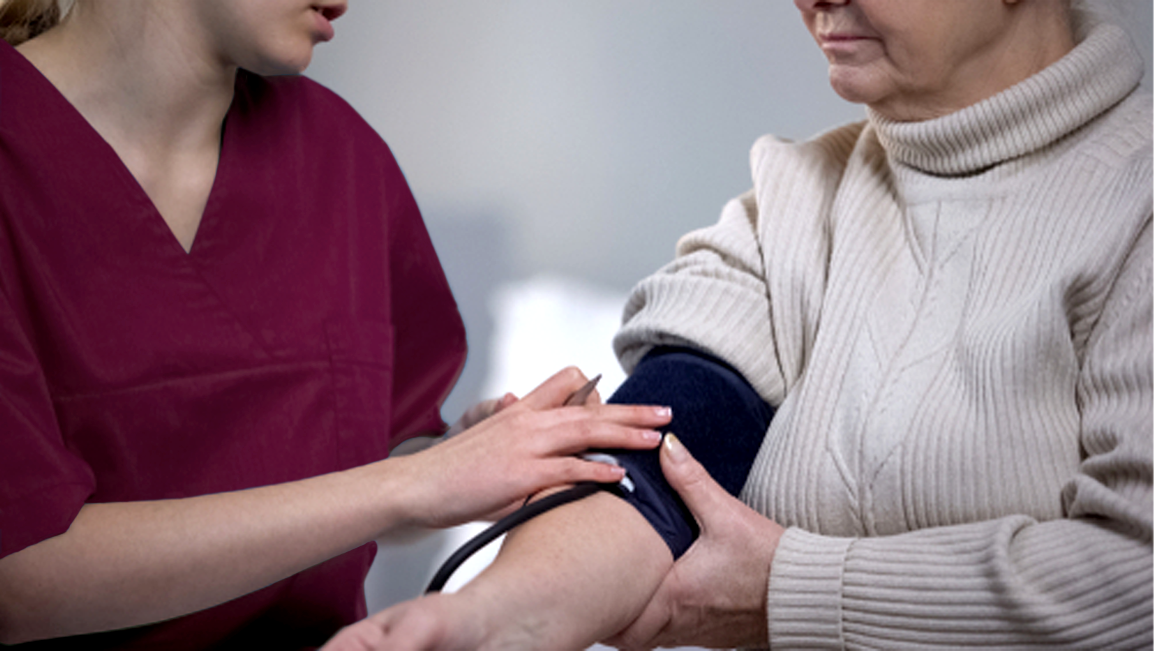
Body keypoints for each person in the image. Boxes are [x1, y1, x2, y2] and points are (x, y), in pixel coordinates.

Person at [328, 0, 1153, 648]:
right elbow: (654, 466)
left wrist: (791, 587)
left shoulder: (1137, 206)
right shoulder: (792, 199)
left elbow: (1137, 578)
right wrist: (480, 622)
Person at [0, 1, 673, 647]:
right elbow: (19, 577)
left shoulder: (344, 160)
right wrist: (415, 485)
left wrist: (457, 463)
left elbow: (375, 479)